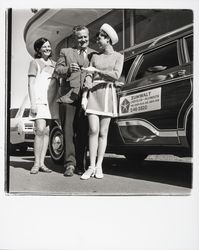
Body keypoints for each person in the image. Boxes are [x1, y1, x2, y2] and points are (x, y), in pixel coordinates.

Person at [80, 23, 124, 180]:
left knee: (103, 132)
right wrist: (85, 95)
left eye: (100, 38)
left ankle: (99, 166)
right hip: (93, 94)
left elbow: (116, 75)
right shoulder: (95, 56)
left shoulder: (119, 56)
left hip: (107, 94)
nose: (97, 41)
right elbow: (88, 76)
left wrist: (97, 71)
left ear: (108, 39)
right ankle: (91, 166)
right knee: (93, 130)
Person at [53, 25, 96, 177]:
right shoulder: (66, 52)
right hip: (67, 98)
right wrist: (67, 69)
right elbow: (57, 70)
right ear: (75, 38)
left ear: (88, 36)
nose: (83, 39)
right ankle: (70, 165)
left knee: (83, 132)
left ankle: (81, 165)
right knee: (68, 132)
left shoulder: (94, 54)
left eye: (85, 36)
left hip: (86, 98)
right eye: (79, 37)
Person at [28, 37, 56, 174]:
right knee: (39, 130)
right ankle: (35, 163)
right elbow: (31, 84)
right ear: (38, 49)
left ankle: (42, 164)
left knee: (46, 132)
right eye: (44, 46)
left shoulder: (54, 64)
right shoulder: (35, 63)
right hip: (38, 101)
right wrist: (33, 103)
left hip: (50, 103)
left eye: (49, 46)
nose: (47, 48)